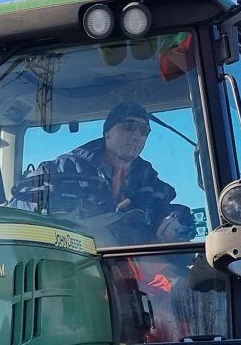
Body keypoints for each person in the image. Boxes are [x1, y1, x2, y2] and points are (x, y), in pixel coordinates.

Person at [10, 100, 191, 242]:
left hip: (135, 266)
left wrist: (174, 219)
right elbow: (19, 207)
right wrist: (55, 206)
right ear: (107, 133)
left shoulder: (150, 182)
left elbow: (173, 212)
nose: (136, 135)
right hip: (77, 262)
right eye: (128, 126)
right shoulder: (62, 169)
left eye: (143, 130)